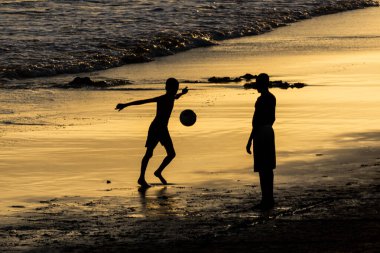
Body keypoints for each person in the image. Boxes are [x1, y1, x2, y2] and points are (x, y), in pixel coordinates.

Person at [116, 78, 188, 188]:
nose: (175, 90)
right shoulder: (163, 98)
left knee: (171, 154)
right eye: (173, 88)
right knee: (149, 153)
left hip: (163, 129)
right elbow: (143, 101)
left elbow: (175, 97)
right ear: (166, 88)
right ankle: (141, 178)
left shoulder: (172, 97)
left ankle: (158, 172)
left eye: (176, 88)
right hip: (156, 128)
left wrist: (182, 94)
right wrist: (125, 105)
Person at [246, 73, 276, 209]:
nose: (256, 85)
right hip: (269, 131)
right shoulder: (272, 98)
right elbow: (272, 118)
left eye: (258, 83)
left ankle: (266, 199)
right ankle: (269, 198)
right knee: (268, 167)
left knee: (263, 168)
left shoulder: (261, 100)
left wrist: (250, 139)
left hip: (260, 133)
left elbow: (256, 121)